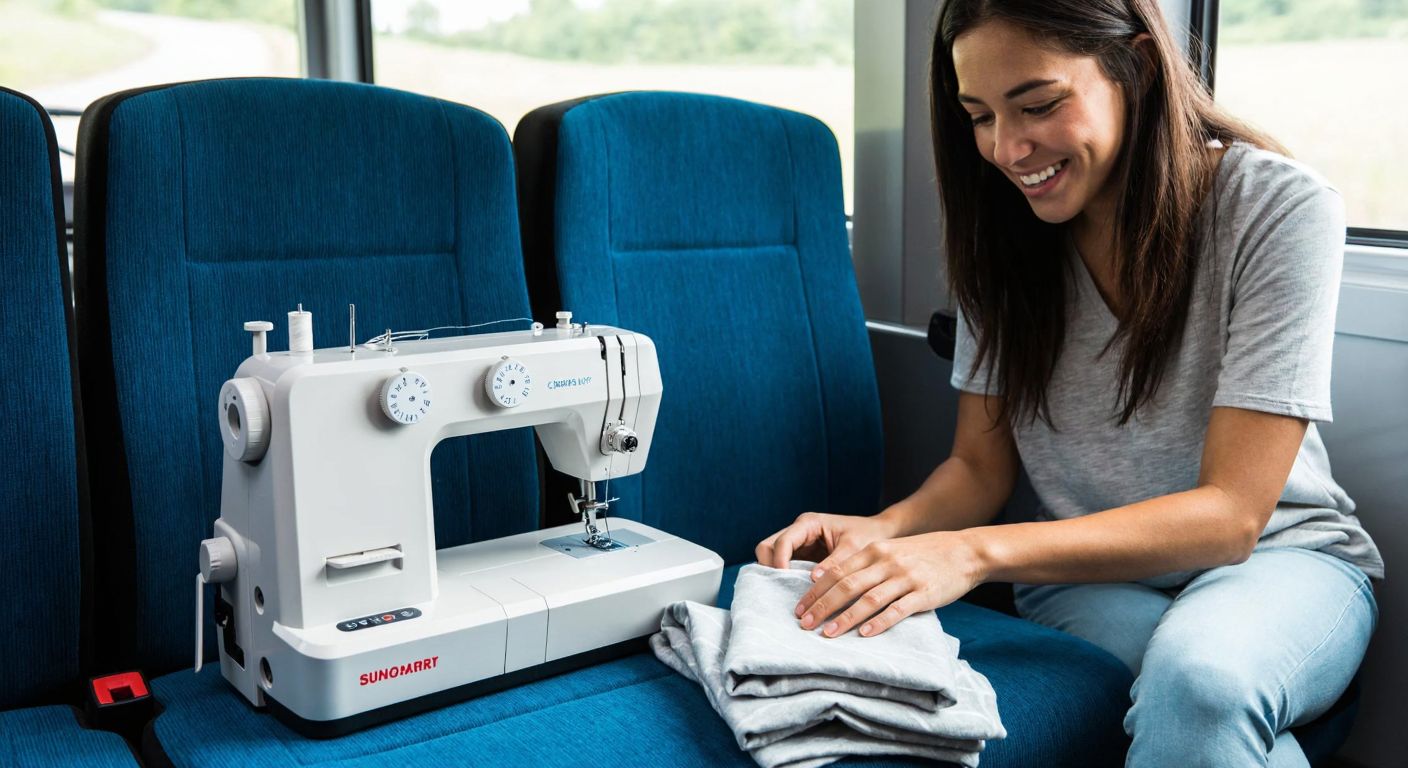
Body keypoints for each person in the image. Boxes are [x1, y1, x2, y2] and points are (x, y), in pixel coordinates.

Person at [755, 0, 1382, 765]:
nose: (1007, 147)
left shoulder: (1276, 208)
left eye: (1039, 104)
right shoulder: (1002, 241)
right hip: (1082, 579)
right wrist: (887, 529)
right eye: (978, 115)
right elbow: (979, 469)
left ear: (1138, 68)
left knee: (1202, 680)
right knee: (1185, 698)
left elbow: (1232, 516)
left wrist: (970, 554)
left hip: (1278, 560)